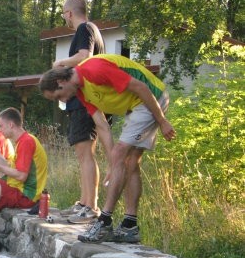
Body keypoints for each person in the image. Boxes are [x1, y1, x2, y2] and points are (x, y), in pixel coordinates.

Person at [39, 54, 175, 243]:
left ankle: (105, 221)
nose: (62, 100)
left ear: (61, 81)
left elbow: (140, 87)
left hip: (151, 98)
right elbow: (101, 125)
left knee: (122, 153)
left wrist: (162, 121)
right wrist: (112, 163)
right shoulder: (81, 91)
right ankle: (130, 225)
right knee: (129, 162)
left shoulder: (94, 70)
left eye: (59, 95)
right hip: (135, 106)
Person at [53, 0, 106, 224]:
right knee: (83, 153)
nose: (65, 17)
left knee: (86, 154)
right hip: (87, 100)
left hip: (86, 99)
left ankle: (91, 207)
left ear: (70, 13)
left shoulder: (84, 28)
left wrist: (60, 63)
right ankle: (84, 203)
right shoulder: (91, 29)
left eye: (64, 13)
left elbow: (85, 56)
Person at [0, 107, 48, 224]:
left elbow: (21, 176)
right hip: (18, 189)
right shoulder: (23, 140)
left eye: (1, 126)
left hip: (26, 196)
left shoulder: (26, 142)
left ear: (11, 124)